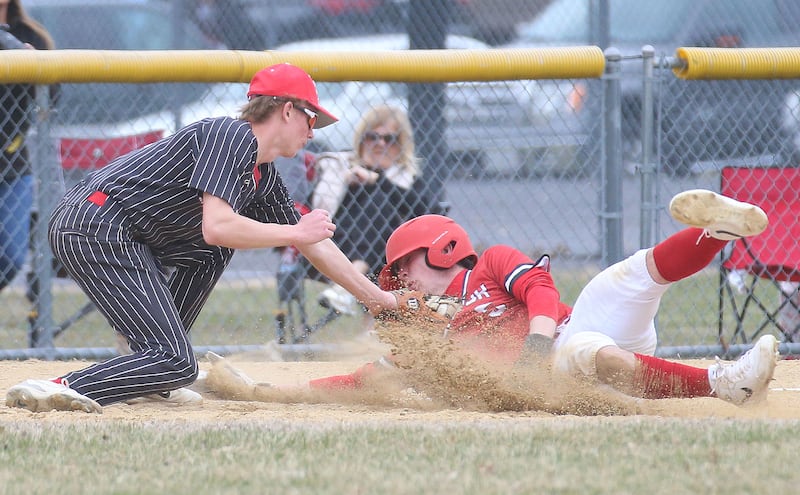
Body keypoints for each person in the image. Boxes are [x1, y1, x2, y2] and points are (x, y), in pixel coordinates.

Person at [4, 63, 398, 413]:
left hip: (122, 233)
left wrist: (377, 298)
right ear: (287, 109)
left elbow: (313, 244)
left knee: (211, 259)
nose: (313, 133)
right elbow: (219, 225)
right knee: (178, 361)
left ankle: (150, 374)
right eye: (312, 120)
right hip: (95, 224)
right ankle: (63, 386)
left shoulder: (262, 173)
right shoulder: (231, 135)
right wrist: (296, 230)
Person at [209, 189, 781, 407]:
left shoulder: (487, 265)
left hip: (569, 329)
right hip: (573, 363)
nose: (398, 284)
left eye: (401, 269)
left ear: (436, 250)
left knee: (623, 277)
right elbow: (366, 380)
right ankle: (722, 384)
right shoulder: (428, 333)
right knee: (579, 351)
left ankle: (717, 231)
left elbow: (540, 290)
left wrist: (535, 340)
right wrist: (264, 390)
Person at [313, 104, 431, 321]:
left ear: (401, 144)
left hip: (391, 255)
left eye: (389, 139)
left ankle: (349, 288)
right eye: (372, 137)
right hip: (337, 244)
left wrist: (378, 181)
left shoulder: (407, 177)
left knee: (383, 201)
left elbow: (426, 210)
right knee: (380, 203)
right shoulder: (340, 167)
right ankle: (354, 279)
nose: (379, 144)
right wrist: (346, 183)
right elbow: (318, 207)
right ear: (361, 140)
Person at [0, 0, 56, 294]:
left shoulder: (31, 35)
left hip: (12, 162)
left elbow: (52, 98)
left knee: (11, 256)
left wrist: (36, 64)